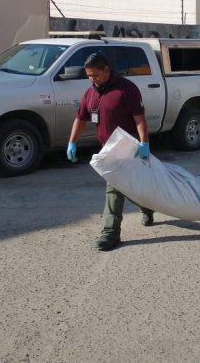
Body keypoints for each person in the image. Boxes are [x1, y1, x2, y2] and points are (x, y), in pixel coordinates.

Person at [67, 52, 154, 251]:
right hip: (108, 150)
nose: (92, 79)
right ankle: (144, 208)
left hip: (129, 148)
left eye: (95, 75)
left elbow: (139, 118)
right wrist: (72, 142)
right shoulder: (90, 93)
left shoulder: (126, 89)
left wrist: (144, 143)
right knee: (122, 186)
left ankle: (111, 232)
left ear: (107, 70)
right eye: (88, 76)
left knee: (117, 188)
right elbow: (80, 118)